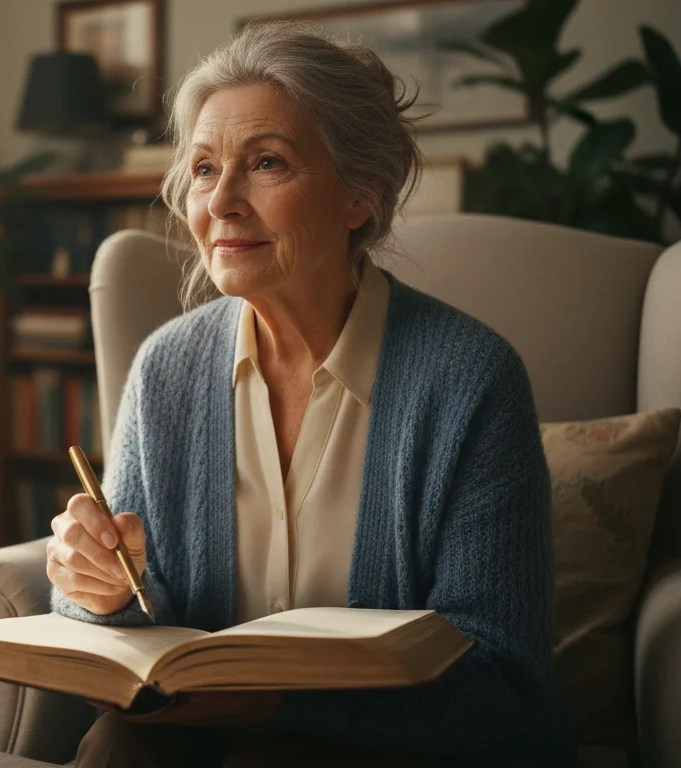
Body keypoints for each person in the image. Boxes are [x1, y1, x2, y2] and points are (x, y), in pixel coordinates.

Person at [46, 20, 572, 768]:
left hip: (399, 752)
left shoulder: (470, 381)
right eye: (202, 169)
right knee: (115, 745)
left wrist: (281, 705)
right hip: (191, 740)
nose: (221, 201)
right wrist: (97, 588)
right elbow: (137, 613)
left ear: (361, 194)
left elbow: (505, 687)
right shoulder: (165, 370)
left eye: (266, 163)